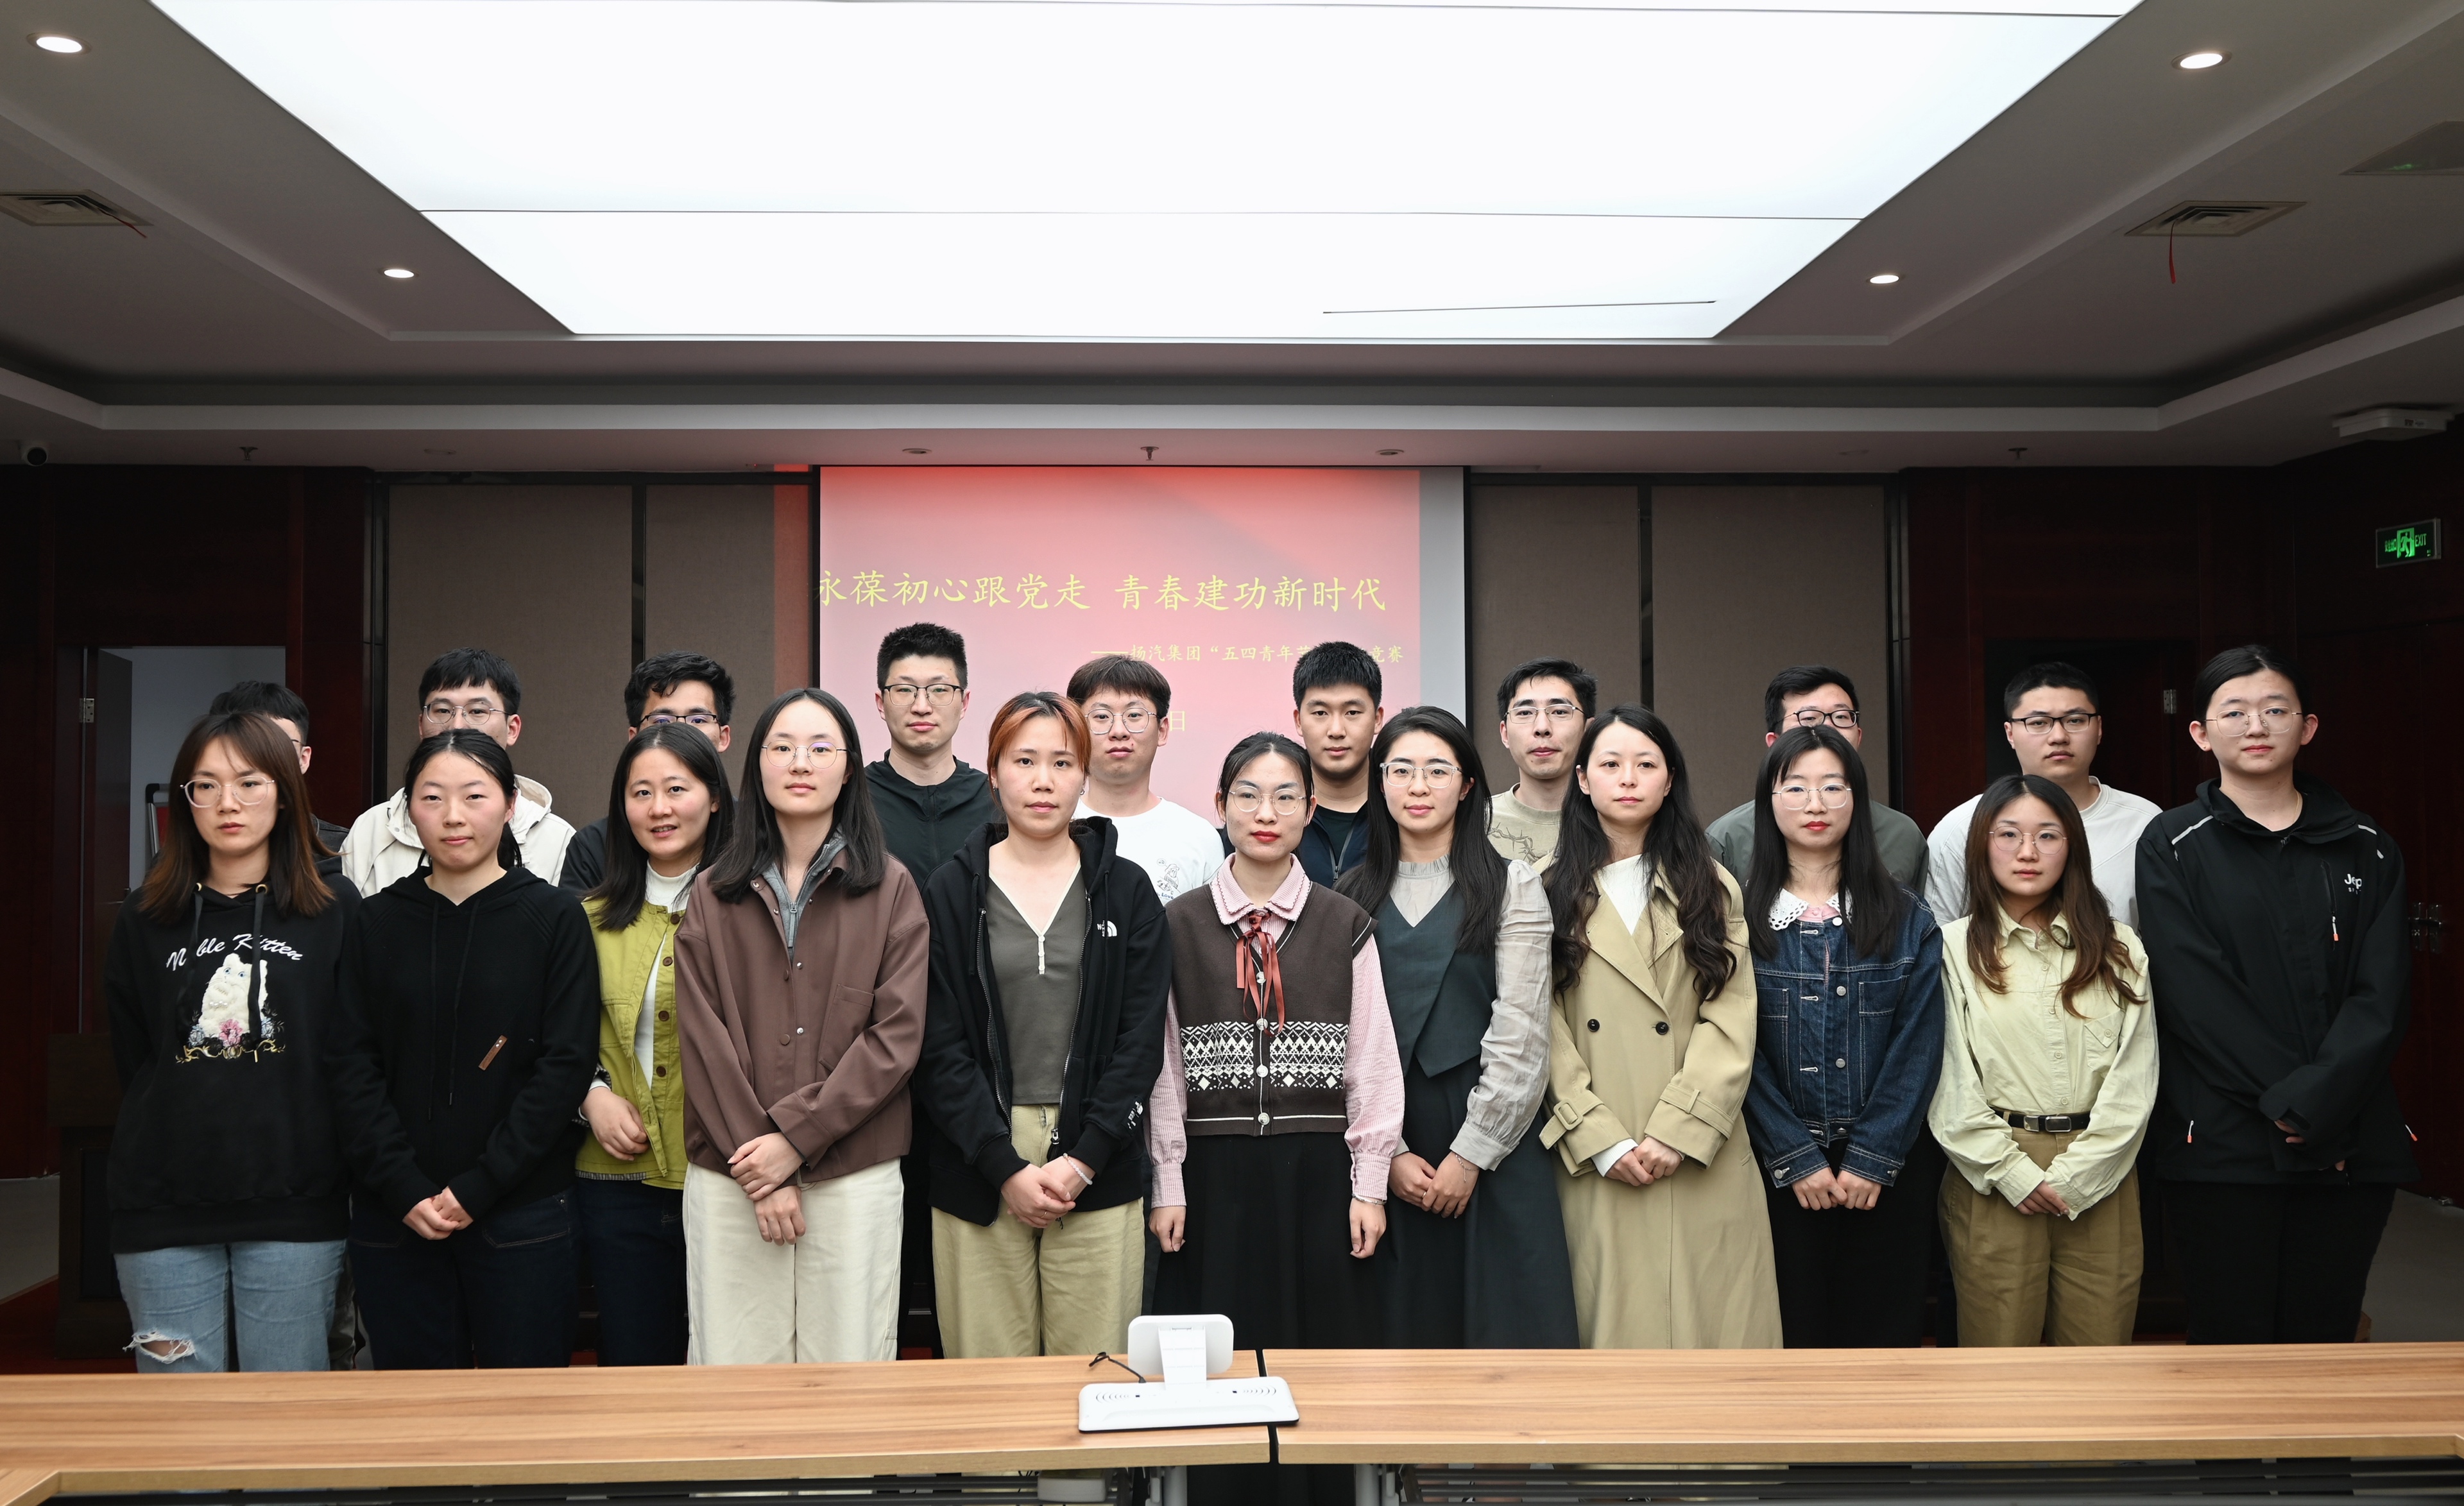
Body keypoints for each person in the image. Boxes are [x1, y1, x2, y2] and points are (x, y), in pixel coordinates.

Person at [2136, 644, 2413, 1344]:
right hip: (2224, 1141)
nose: (2256, 725)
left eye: (2275, 709)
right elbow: (2194, 992)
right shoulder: (2172, 842)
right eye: (2234, 711)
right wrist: (2297, 1103)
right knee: (2230, 1340)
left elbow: (2381, 994)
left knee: (2325, 1336)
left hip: (2350, 1140)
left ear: (2307, 726)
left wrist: (2321, 1104)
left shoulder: (2368, 845)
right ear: (2201, 733)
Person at [1151, 731, 1399, 1506]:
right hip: (1212, 1180)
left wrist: (1369, 1184)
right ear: (1220, 805)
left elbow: (1372, 1061)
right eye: (1249, 795)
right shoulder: (1178, 923)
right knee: (1216, 1370)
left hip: (1318, 1176)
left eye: (1286, 796)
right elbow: (1162, 1066)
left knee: (1318, 1365)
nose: (1267, 812)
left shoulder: (1343, 921)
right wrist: (1167, 1180)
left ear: (1310, 809)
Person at [327, 731, 599, 1369]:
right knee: (416, 1412)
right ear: (408, 811)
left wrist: (480, 1185)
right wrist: (401, 1185)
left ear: (509, 805)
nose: (453, 815)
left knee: (526, 1408)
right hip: (397, 1213)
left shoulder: (556, 917)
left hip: (524, 1211)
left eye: (474, 795)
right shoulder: (373, 922)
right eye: (432, 797)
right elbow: (350, 1064)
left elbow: (564, 1066)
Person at [673, 689, 927, 1364]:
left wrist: (795, 1140)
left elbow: (896, 1038)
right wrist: (762, 1162)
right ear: (756, 765)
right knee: (734, 1375)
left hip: (853, 1173)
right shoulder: (712, 893)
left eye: (820, 748)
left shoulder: (891, 888)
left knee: (848, 1373)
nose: (800, 762)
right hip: (733, 1175)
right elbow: (702, 1039)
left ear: (850, 768)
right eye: (782, 747)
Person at [916, 692, 1169, 1358]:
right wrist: (1002, 1166)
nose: (1042, 780)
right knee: (987, 1382)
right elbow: (937, 1045)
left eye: (1062, 762)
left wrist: (1085, 1159)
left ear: (1084, 774)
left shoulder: (1127, 890)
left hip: (1096, 1153)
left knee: (1097, 1372)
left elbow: (1141, 1041)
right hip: (978, 1157)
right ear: (993, 771)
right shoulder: (950, 890)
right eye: (1024, 760)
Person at [105, 712, 358, 1372]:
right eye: (206, 785)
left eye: (249, 782)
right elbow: (137, 1054)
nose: (228, 803)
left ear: (285, 792)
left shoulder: (334, 908)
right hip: (161, 1202)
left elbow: (351, 1052)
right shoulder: (145, 914)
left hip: (296, 1198)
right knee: (179, 1416)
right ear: (185, 799)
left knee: (283, 1413)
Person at [1539, 706, 1779, 1349]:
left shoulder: (1711, 886)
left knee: (1713, 1333)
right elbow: (1540, 1027)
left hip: (1699, 1150)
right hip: (1596, 1151)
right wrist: (1600, 1137)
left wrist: (1679, 1129)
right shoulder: (1544, 890)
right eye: (1610, 764)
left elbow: (1731, 1016)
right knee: (1612, 1334)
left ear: (1669, 780)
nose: (1628, 778)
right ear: (1582, 778)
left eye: (1646, 764)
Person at [1337, 708, 1577, 1349]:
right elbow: (1339, 1040)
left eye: (1437, 770)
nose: (1418, 786)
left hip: (1494, 1143)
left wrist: (1470, 1155)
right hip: (1382, 1143)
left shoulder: (1512, 885)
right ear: (1379, 783)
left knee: (1506, 1349)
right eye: (1401, 770)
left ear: (1467, 785)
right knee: (1393, 1348)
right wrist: (1386, 1156)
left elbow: (1523, 1031)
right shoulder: (1345, 897)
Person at [1930, 775, 2155, 1348]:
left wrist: (2082, 1175)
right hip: (1993, 1172)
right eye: (2008, 834)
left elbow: (2136, 1075)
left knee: (2098, 1364)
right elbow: (1948, 1081)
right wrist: (2010, 1171)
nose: (2027, 851)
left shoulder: (2119, 947)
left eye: (2047, 835)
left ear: (2072, 846)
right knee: (1998, 1367)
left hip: (2103, 1171)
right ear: (1982, 845)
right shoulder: (1950, 947)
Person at [1740, 726, 1945, 1348]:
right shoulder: (1734, 917)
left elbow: (1918, 1046)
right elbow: (1733, 1050)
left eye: (1833, 786)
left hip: (1889, 1170)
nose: (1816, 803)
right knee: (1788, 1342)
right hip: (1773, 1169)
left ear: (1857, 798)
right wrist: (1795, 1157)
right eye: (1796, 788)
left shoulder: (1908, 917)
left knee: (1883, 1345)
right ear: (1769, 801)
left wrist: (1871, 1157)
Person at [573, 722, 735, 1365]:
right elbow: (555, 1037)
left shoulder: (753, 911)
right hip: (616, 1177)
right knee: (633, 1363)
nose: (659, 808)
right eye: (641, 792)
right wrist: (590, 1095)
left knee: (728, 1361)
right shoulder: (584, 919)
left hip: (725, 1171)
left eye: (677, 788)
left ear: (715, 797)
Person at [867, 622, 1000, 1356]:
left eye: (939, 688)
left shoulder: (998, 803)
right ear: (879, 700)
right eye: (906, 689)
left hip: (974, 1076)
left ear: (965, 699)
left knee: (966, 1294)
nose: (922, 704)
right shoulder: (850, 801)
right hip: (867, 1078)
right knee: (876, 1289)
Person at [1924, 663, 2161, 926]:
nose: (2059, 736)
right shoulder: (1962, 827)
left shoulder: (2146, 823)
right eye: (2038, 723)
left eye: (2075, 720)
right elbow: (1939, 936)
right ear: (2010, 733)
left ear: (2099, 728)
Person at [339, 649, 576, 894]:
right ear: (421, 725)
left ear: (512, 728)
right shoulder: (372, 829)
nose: (457, 726)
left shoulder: (558, 840)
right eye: (442, 710)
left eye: (477, 711)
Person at [1707, 666, 1925, 888]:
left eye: (1841, 717)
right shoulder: (1728, 839)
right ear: (1775, 743)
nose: (1827, 729)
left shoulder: (1902, 835)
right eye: (1809, 718)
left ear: (1859, 737)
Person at [559, 651, 736, 894]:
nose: (679, 734)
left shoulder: (757, 839)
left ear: (723, 737)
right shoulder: (593, 849)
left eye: (698, 720)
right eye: (662, 721)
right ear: (634, 738)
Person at [1068, 654, 1224, 903]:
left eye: (1134, 715)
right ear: (1077, 731)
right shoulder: (1052, 825)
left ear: (1162, 730)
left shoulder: (1199, 838)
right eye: (1102, 717)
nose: (1119, 731)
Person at [208, 681, 349, 857]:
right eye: (245, 744)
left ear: (303, 758)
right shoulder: (183, 855)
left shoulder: (344, 850)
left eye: (280, 745)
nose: (262, 758)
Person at [1290, 642, 1387, 884]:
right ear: (1299, 721)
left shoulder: (1402, 806)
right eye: (1320, 713)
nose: (1336, 730)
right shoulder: (1274, 809)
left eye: (1352, 712)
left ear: (1377, 719)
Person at [1486, 658, 1596, 868]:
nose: (1542, 727)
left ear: (1588, 730)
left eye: (1560, 712)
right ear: (1505, 733)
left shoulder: (1613, 820)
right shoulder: (1473, 823)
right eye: (1525, 713)